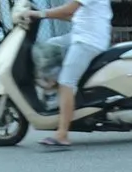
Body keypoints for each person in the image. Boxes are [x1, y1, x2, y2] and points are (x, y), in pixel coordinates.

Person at [14, 0, 111, 150]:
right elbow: (73, 15)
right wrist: (43, 15)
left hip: (89, 41)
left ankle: (62, 135)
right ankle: (54, 97)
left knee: (67, 81)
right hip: (80, 34)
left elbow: (69, 10)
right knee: (49, 48)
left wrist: (40, 13)